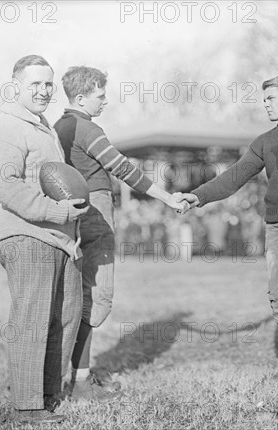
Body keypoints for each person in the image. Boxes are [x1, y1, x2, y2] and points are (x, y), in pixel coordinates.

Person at [178, 75, 278, 389]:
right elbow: (234, 176)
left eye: (271, 98)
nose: (265, 103)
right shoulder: (265, 140)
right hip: (275, 227)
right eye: (264, 98)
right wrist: (197, 196)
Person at [54, 66, 187, 400]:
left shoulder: (56, 127)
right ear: (81, 97)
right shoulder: (87, 127)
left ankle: (62, 378)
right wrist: (167, 196)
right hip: (95, 212)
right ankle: (80, 381)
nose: (105, 101)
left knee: (70, 298)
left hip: (66, 215)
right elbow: (122, 168)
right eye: (100, 95)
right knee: (95, 300)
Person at [0, 55, 88, 424]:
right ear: (15, 87)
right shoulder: (7, 127)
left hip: (56, 239)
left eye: (48, 84)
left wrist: (69, 229)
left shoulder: (44, 128)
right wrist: (58, 213)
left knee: (67, 314)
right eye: (35, 84)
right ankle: (27, 407)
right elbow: (4, 184)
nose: (43, 91)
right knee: (34, 320)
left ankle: (47, 396)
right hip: (25, 236)